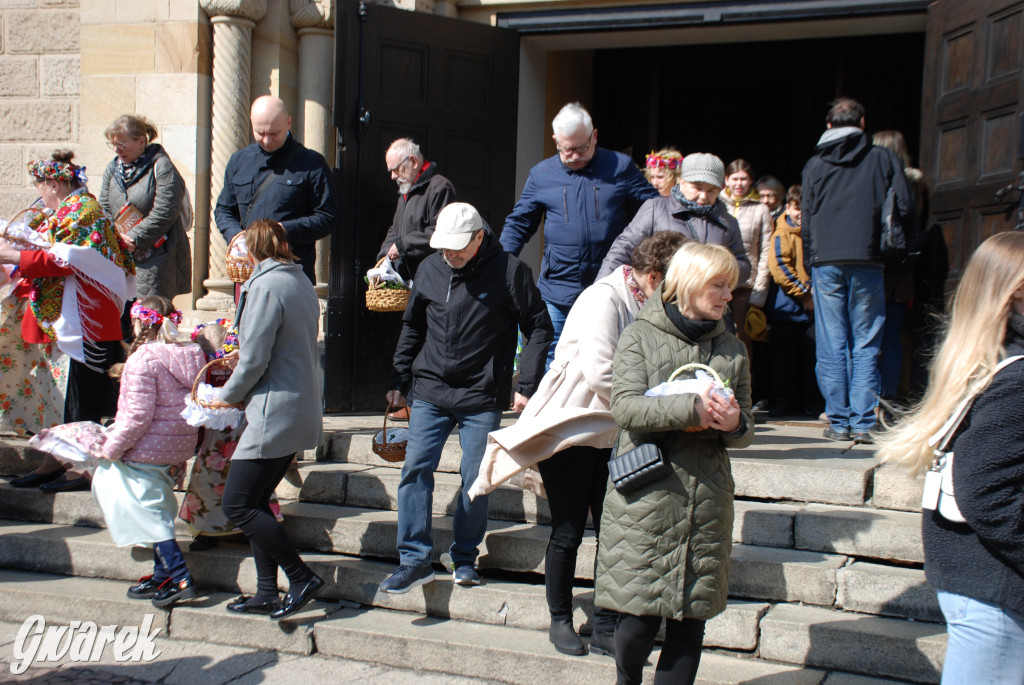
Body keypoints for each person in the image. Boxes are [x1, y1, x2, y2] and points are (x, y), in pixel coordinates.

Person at [472, 231, 687, 658]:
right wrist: (655, 410)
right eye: (674, 280)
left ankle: (606, 624)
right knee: (568, 530)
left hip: (616, 430)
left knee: (613, 532)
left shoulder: (652, 299)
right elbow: (600, 371)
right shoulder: (603, 298)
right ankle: (561, 619)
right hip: (574, 426)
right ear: (653, 274)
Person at [595, 241, 754, 685]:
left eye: (731, 287)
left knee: (690, 624)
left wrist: (735, 423)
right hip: (649, 496)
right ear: (687, 284)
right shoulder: (640, 336)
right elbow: (624, 408)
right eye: (718, 285)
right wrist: (691, 409)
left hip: (707, 500)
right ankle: (627, 678)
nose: (727, 296)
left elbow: (746, 426)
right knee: (638, 625)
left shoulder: (733, 348)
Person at [380, 202, 552, 594]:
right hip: (430, 389)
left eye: (458, 246)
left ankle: (464, 556)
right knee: (415, 470)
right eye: (444, 247)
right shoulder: (430, 268)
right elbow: (412, 327)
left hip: (481, 394)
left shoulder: (510, 271)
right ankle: (414, 560)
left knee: (476, 479)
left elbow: (539, 327)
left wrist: (526, 384)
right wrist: (398, 378)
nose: (450, 255)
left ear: (479, 237)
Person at [876, 231, 1024, 685]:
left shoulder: (982, 360)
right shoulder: (1015, 376)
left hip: (975, 580)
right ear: (1016, 295)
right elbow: (985, 490)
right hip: (993, 585)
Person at [2, 151, 135, 493]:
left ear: (55, 183)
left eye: (41, 186)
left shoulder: (83, 210)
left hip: (88, 314)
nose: (39, 193)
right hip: (76, 310)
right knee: (74, 392)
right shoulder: (67, 209)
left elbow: (68, 259)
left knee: (86, 393)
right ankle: (56, 462)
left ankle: (81, 468)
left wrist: (12, 255)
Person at [215, 218, 325, 620]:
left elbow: (255, 357)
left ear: (253, 249)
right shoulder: (300, 281)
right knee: (257, 501)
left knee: (238, 505)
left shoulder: (264, 284)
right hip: (297, 406)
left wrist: (225, 397)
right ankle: (265, 591)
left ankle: (300, 577)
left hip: (272, 409)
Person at [500, 102, 656, 366]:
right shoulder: (542, 175)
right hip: (558, 289)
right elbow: (519, 223)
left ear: (594, 136)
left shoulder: (620, 167)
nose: (574, 155)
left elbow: (652, 211)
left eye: (582, 147)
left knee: (611, 357)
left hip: (611, 286)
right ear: (555, 141)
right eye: (566, 149)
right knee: (554, 357)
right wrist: (500, 264)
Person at [801, 97, 914, 443]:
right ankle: (864, 423)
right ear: (863, 124)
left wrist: (810, 261)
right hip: (868, 258)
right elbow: (905, 206)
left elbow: (806, 219)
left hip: (826, 262)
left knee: (832, 343)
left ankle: (838, 421)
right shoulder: (883, 158)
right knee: (866, 343)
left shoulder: (815, 164)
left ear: (830, 126)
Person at [82, 296, 204, 607]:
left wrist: (110, 448)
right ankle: (161, 572)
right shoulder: (192, 352)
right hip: (178, 444)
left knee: (146, 510)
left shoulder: (142, 359)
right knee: (158, 506)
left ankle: (179, 577)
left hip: (146, 447)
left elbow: (136, 417)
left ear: (137, 321)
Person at [214, 95, 337, 284]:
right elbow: (223, 210)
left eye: (274, 133)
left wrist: (282, 231)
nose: (266, 140)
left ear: (288, 123)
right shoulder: (239, 160)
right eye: (260, 133)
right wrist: (238, 237)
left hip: (292, 274)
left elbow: (328, 217)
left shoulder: (312, 163)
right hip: (249, 272)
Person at [597, 153, 751, 287]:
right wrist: (601, 288)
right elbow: (623, 249)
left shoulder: (727, 221)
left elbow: (743, 265)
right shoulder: (655, 209)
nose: (703, 196)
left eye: (712, 191)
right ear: (682, 181)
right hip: (659, 304)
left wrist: (717, 269)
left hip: (707, 308)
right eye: (697, 188)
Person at [99, 114, 192, 300]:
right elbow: (103, 207)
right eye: (113, 145)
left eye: (122, 145)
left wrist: (133, 239)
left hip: (155, 259)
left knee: (147, 321)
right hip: (120, 257)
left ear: (141, 141)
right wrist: (116, 239)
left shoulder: (162, 167)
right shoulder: (113, 168)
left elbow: (165, 211)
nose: (117, 150)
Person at [873, 130, 929, 405]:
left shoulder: (880, 179)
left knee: (870, 337)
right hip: (902, 269)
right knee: (892, 336)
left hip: (878, 266)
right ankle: (890, 394)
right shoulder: (915, 184)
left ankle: (869, 397)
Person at [765, 185, 821, 418]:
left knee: (811, 358)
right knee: (783, 360)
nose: (800, 214)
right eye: (797, 208)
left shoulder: (814, 232)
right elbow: (780, 267)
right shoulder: (782, 232)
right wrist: (805, 294)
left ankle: (812, 403)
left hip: (812, 309)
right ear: (788, 207)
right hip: (787, 308)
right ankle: (781, 402)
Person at [377, 137, 457, 282]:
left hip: (430, 278)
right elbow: (395, 229)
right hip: (407, 279)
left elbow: (442, 233)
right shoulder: (405, 191)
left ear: (413, 162)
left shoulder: (439, 187)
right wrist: (385, 255)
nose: (393, 176)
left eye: (396, 169)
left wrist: (403, 246)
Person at [719, 159, 773, 352]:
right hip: (717, 277)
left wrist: (759, 292)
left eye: (744, 179)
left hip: (746, 283)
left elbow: (766, 252)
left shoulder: (761, 210)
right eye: (735, 178)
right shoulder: (717, 204)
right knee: (716, 333)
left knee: (742, 336)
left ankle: (745, 381)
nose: (739, 184)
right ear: (726, 179)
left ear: (751, 181)